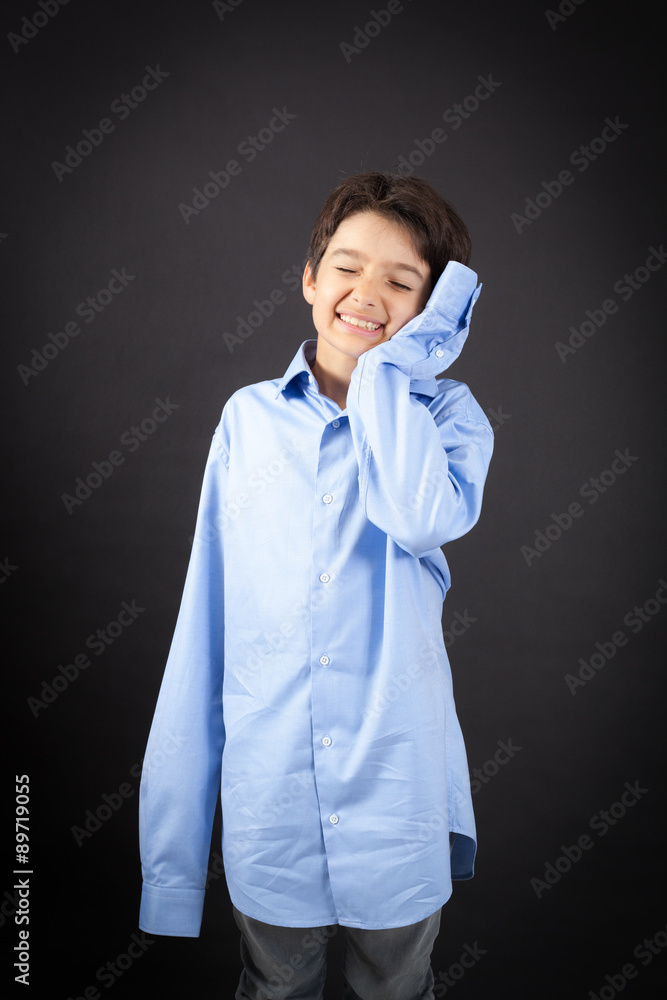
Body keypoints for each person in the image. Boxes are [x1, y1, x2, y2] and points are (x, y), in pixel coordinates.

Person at [138, 171, 494, 1000]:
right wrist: (170, 869)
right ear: (307, 278)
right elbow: (204, 621)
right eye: (346, 266)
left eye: (401, 282)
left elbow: (415, 517)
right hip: (273, 806)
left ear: (431, 312)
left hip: (396, 799)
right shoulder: (247, 420)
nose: (366, 294)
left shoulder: (449, 419)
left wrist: (386, 374)